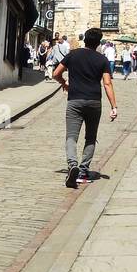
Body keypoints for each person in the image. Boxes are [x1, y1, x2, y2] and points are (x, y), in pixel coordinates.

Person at [53, 26, 117, 189]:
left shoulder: (73, 55)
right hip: (94, 102)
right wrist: (114, 106)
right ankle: (82, 171)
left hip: (75, 100)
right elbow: (107, 83)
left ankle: (72, 165)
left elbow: (55, 73)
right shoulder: (102, 60)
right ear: (98, 43)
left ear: (85, 40)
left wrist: (64, 83)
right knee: (90, 137)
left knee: (71, 137)